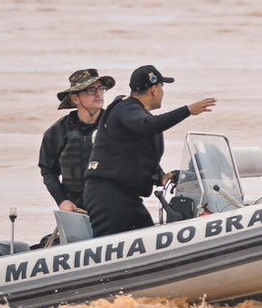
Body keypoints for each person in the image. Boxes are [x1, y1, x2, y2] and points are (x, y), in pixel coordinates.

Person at [82, 64, 217, 237]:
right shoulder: (125, 109)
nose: (162, 92)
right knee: (106, 249)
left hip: (129, 198)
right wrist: (187, 110)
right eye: (162, 87)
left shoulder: (136, 116)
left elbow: (139, 154)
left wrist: (160, 176)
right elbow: (148, 126)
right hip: (108, 196)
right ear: (154, 90)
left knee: (150, 239)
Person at [39, 67, 113, 214]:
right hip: (76, 209)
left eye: (101, 89)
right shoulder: (58, 131)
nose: (98, 94)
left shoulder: (114, 126)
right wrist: (62, 201)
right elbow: (47, 170)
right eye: (91, 90)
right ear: (75, 98)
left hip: (110, 205)